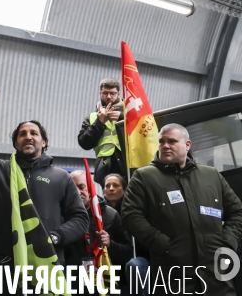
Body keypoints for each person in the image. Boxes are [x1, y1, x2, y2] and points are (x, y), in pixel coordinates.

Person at [0, 85, 88, 268]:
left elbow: (80, 219)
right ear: (15, 143)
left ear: (44, 142)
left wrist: (55, 237)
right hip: (8, 262)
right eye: (22, 134)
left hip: (48, 260)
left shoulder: (61, 177)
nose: (28, 137)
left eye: (34, 133)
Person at [122, 123, 242, 295]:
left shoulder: (211, 175)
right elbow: (130, 216)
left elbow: (237, 211)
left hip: (217, 277)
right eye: (161, 141)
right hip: (174, 277)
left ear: (187, 145)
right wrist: (162, 244)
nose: (165, 145)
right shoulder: (144, 177)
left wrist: (229, 240)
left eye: (171, 141)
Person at [65, 171, 132, 295]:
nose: (78, 192)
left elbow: (128, 253)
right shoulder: (62, 215)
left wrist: (110, 244)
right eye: (73, 188)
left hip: (105, 283)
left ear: (91, 188)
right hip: (72, 283)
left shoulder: (110, 215)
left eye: (81, 187)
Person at [78, 78, 126, 185]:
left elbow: (144, 131)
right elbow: (84, 143)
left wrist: (123, 118)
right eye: (105, 93)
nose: (108, 97)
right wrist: (99, 123)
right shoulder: (92, 117)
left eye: (112, 93)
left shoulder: (131, 112)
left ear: (118, 94)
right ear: (100, 93)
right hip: (105, 166)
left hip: (128, 163)